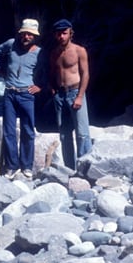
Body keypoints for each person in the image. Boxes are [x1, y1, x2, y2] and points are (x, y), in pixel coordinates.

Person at [0, 18, 45, 180]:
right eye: (24, 33)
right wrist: (0, 70)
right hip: (10, 93)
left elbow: (47, 71)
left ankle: (27, 166)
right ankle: (12, 166)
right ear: (20, 33)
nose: (27, 37)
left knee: (28, 131)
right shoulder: (10, 44)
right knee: (9, 131)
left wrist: (40, 86)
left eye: (30, 34)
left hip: (27, 95)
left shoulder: (39, 52)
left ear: (34, 36)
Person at [49, 18, 92, 169]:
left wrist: (80, 96)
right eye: (59, 34)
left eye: (64, 33)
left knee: (82, 133)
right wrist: (53, 90)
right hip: (60, 95)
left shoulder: (79, 51)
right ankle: (69, 168)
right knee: (64, 135)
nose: (61, 36)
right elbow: (53, 72)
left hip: (75, 92)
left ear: (70, 33)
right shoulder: (55, 53)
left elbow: (85, 74)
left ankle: (84, 167)